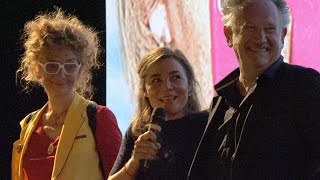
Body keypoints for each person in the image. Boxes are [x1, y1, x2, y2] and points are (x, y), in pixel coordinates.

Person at [189, 0, 320, 179]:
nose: (260, 38)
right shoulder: (221, 103)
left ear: (283, 35)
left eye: (270, 29)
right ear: (229, 34)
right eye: (250, 28)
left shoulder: (304, 86)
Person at [12, 9, 122, 180]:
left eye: (70, 66)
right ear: (37, 69)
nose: (60, 75)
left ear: (81, 70)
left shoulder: (99, 117)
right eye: (52, 65)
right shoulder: (28, 125)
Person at [108, 47, 208, 179]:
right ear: (145, 91)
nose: (167, 86)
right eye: (156, 80)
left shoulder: (207, 124)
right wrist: (134, 162)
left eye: (175, 77)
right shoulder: (137, 132)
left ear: (189, 85)